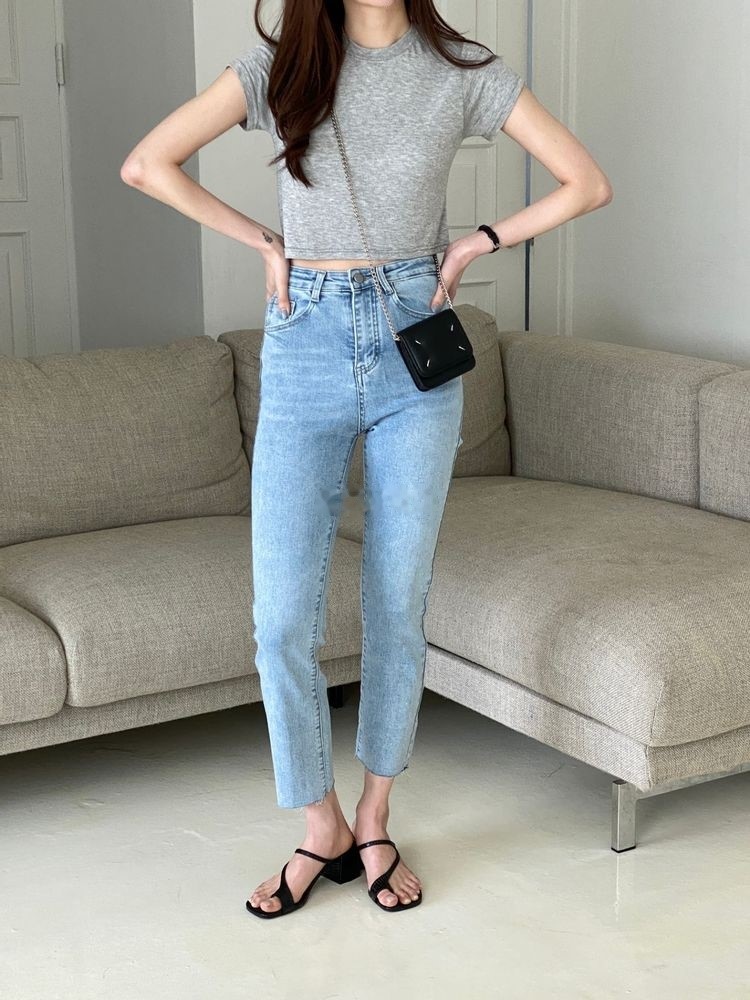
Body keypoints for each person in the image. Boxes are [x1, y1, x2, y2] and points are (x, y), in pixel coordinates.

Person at [120, 0, 612, 919]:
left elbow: (586, 182)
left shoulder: (462, 70)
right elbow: (147, 163)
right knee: (280, 620)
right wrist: (263, 241)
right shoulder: (280, 67)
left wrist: (479, 242)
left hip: (413, 340)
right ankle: (322, 824)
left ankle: (376, 816)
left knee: (397, 600)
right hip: (304, 335)